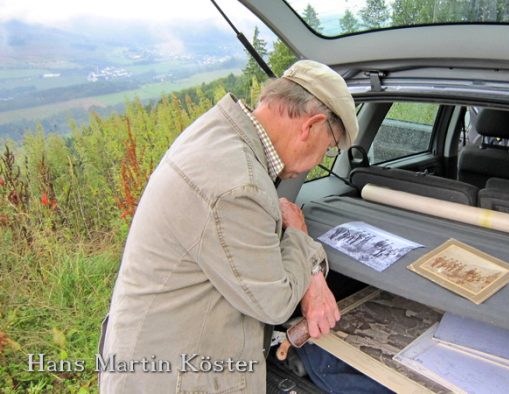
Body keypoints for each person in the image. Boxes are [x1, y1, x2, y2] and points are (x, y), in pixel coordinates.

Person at [99, 60, 358, 393]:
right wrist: (297, 234)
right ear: (312, 125)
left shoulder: (220, 134)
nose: (321, 159)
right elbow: (275, 301)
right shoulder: (239, 184)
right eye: (328, 147)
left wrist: (311, 275)